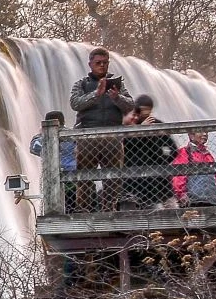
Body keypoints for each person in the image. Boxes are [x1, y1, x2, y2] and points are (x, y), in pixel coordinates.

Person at [69, 48, 131, 209]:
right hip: (86, 137)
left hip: (113, 137)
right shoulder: (81, 84)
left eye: (105, 63)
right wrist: (96, 94)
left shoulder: (118, 84)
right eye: (98, 63)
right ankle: (83, 210)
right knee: (84, 177)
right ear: (90, 64)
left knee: (113, 178)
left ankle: (109, 209)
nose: (102, 66)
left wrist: (117, 97)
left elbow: (130, 105)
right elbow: (75, 103)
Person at [120, 95, 177, 210]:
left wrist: (162, 160)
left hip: (159, 180)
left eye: (148, 109)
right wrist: (141, 130)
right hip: (134, 180)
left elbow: (173, 150)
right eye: (142, 109)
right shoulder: (129, 126)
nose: (145, 113)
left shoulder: (158, 125)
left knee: (170, 209)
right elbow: (124, 146)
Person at [169, 129, 216, 207]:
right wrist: (181, 195)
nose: (205, 134)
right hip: (193, 201)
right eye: (200, 131)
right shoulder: (185, 153)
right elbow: (178, 176)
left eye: (206, 132)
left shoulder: (208, 155)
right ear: (191, 135)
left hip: (212, 201)